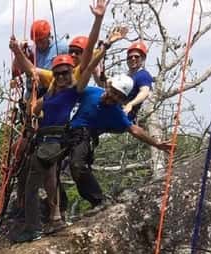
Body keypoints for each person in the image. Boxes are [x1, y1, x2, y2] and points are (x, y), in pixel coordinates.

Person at [11, 36, 109, 242]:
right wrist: (32, 114)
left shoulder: (74, 90)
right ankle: (54, 219)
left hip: (57, 139)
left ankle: (34, 227)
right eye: (58, 74)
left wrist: (104, 45)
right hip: (45, 139)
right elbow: (33, 100)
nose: (62, 77)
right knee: (47, 179)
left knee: (32, 185)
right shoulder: (51, 94)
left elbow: (89, 64)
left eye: (65, 73)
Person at [64, 74, 174, 208]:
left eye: (120, 97)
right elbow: (71, 92)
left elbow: (135, 130)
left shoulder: (116, 112)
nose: (115, 97)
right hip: (68, 132)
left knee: (77, 165)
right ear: (108, 87)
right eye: (114, 92)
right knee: (48, 167)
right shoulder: (92, 92)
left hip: (85, 137)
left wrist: (156, 144)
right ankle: (56, 210)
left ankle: (98, 200)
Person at [122, 40, 154, 120]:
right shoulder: (125, 77)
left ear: (143, 58)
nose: (133, 59)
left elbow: (144, 92)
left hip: (132, 118)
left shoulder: (143, 75)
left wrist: (131, 104)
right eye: (130, 57)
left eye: (136, 56)